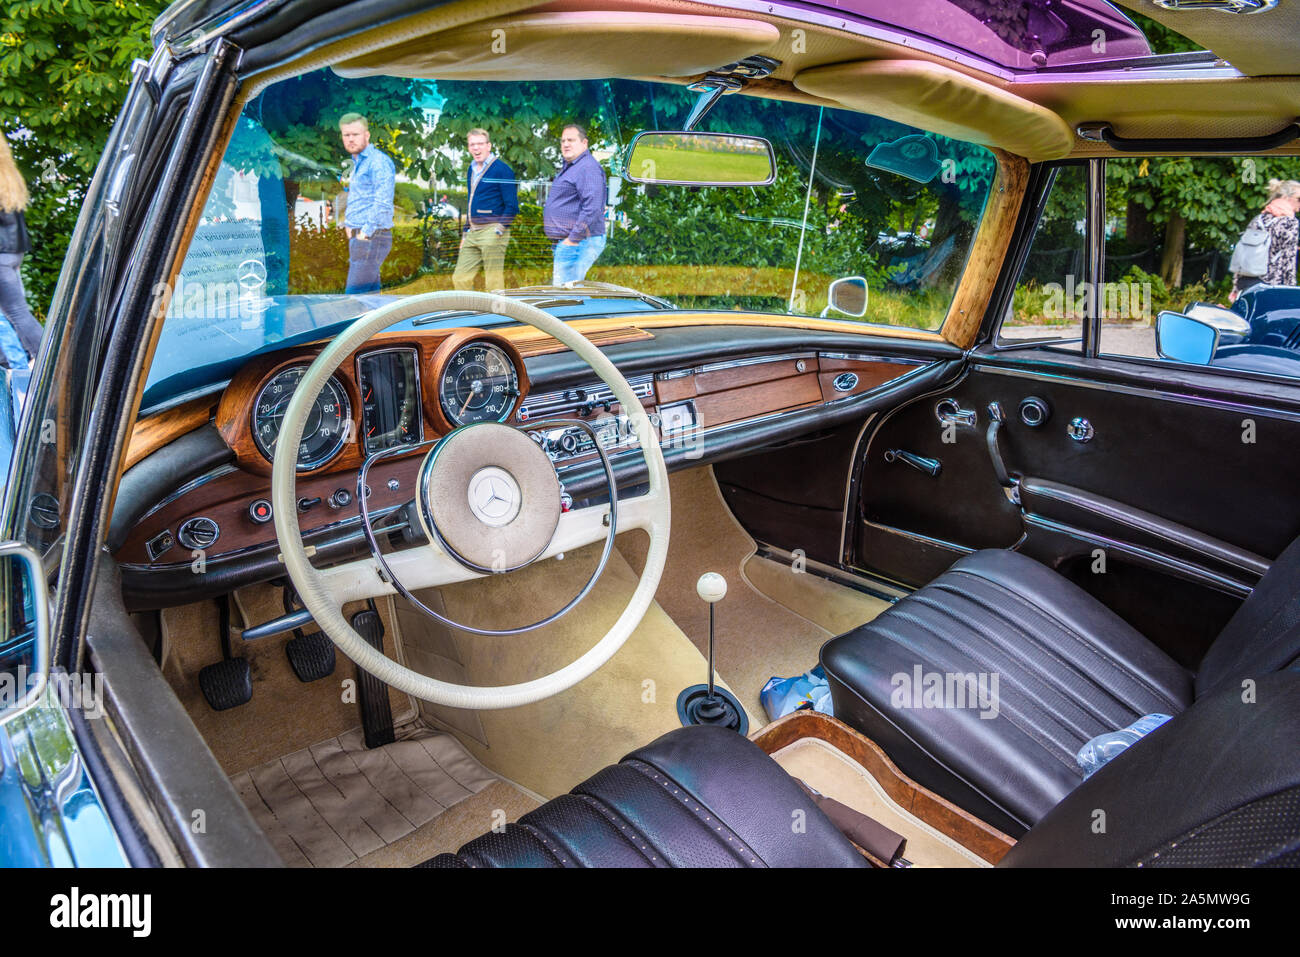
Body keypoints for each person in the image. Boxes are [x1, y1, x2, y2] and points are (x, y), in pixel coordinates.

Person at [452, 128, 518, 291]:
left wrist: (499, 230)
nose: (476, 148)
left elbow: (512, 205)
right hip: (472, 233)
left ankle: (498, 316)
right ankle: (469, 313)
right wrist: (465, 232)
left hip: (492, 231)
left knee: (493, 283)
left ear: (488, 145)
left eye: (480, 144)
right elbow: (471, 202)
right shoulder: (471, 169)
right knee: (460, 278)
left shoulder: (502, 170)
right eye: (472, 144)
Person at [0, 134, 45, 367]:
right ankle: (21, 360)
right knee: (14, 311)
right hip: (12, 252)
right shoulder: (8, 176)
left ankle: (45, 359)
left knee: (15, 312)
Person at [338, 112, 395, 294]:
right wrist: (349, 225)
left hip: (371, 238)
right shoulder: (358, 163)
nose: (351, 139)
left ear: (367, 135)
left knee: (352, 300)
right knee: (370, 301)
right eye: (346, 135)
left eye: (355, 134)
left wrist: (364, 233)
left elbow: (383, 202)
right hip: (362, 239)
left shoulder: (377, 162)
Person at [543, 124, 607, 285]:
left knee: (568, 297)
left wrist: (573, 239)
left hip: (579, 242)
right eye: (563, 141)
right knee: (568, 294)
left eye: (571, 140)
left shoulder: (587, 168)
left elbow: (592, 207)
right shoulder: (573, 167)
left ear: (584, 143)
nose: (565, 144)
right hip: (573, 242)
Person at [1230, 178, 1300, 302]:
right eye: (1299, 199)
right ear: (1286, 197)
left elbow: (1243, 253)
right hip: (1271, 286)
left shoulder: (1259, 219)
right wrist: (1290, 293)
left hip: (1246, 282)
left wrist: (1235, 287)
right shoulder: (1290, 223)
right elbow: (1288, 262)